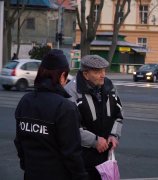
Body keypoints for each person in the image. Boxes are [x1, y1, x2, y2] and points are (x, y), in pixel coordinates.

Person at [14, 49, 88, 180]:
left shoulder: (25, 101)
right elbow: (72, 154)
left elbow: (19, 141)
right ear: (62, 76)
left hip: (31, 174)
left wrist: (26, 165)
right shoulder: (65, 108)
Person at [65, 55, 123, 180]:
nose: (103, 75)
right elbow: (69, 127)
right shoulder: (71, 91)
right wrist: (94, 140)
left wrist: (114, 135)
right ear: (85, 74)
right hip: (81, 158)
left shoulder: (109, 86)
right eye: (97, 72)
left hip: (104, 156)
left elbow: (118, 115)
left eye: (104, 70)